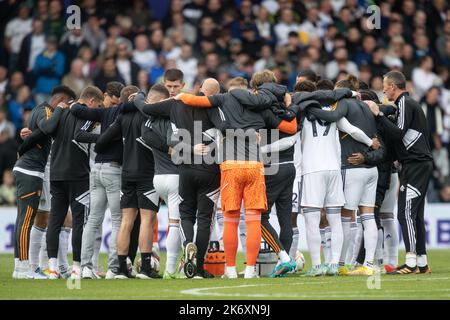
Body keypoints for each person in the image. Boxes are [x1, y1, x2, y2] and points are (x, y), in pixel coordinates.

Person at [175, 71, 297, 279]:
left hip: (230, 167)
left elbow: (194, 100)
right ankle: (250, 270)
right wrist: (288, 103)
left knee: (230, 220)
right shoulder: (262, 107)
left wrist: (178, 97)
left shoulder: (223, 100)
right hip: (255, 167)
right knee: (253, 219)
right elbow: (292, 128)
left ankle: (230, 271)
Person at [303, 75, 384, 276]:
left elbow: (338, 122)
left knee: (332, 219)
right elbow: (353, 130)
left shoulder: (308, 111)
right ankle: (364, 263)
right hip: (352, 169)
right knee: (363, 216)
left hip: (329, 169)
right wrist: (370, 144)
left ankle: (332, 264)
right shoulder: (356, 109)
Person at [366, 71, 434, 274]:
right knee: (416, 215)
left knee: (405, 213)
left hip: (415, 164)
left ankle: (411, 261)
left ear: (393, 87)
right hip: (418, 163)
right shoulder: (409, 103)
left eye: (385, 86)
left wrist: (378, 114)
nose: (384, 89)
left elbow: (399, 132)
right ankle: (421, 262)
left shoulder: (404, 102)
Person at [94, 86, 162, 280]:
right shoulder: (147, 116)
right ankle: (146, 268)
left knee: (126, 222)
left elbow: (100, 144)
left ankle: (122, 268)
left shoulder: (122, 118)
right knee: (147, 221)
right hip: (147, 173)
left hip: (126, 174)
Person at [12, 85, 76, 279]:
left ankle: (30, 267)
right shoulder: (47, 110)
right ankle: (24, 268)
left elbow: (41, 132)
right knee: (25, 221)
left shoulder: (41, 111)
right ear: (62, 101)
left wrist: (26, 140)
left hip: (34, 170)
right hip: (31, 171)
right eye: (68, 104)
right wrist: (59, 109)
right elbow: (47, 127)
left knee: (28, 219)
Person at [69, 82, 130, 280]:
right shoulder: (119, 112)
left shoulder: (101, 113)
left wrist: (70, 105)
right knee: (116, 220)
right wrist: (105, 138)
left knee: (93, 219)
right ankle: (113, 268)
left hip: (96, 171)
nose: (115, 104)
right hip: (113, 170)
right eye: (113, 101)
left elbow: (78, 109)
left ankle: (85, 267)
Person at [45, 86, 103, 280]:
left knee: (55, 220)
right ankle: (77, 267)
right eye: (98, 105)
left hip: (56, 173)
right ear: (92, 101)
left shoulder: (61, 111)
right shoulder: (88, 115)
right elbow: (80, 135)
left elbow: (48, 131)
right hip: (78, 175)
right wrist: (104, 138)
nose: (98, 109)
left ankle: (52, 268)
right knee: (80, 221)